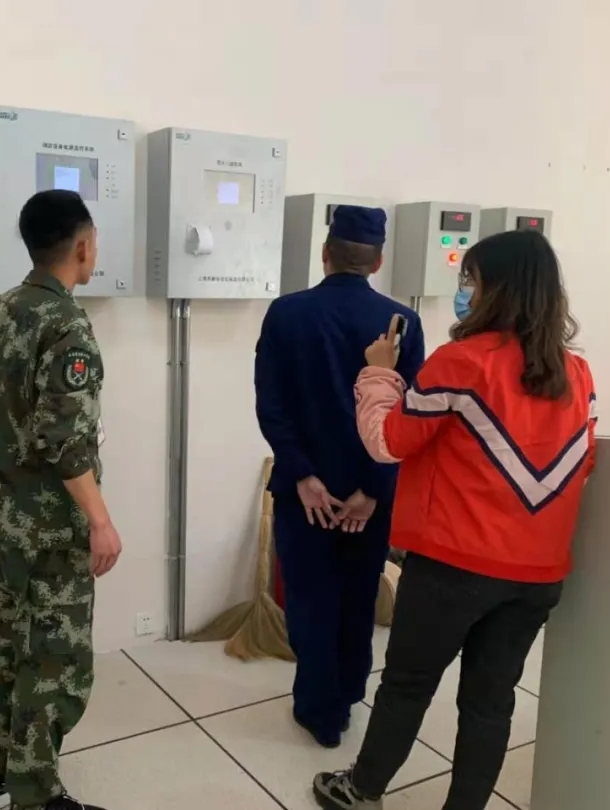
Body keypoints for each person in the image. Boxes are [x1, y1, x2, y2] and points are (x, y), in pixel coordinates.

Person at [312, 230, 598, 810]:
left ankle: (361, 791)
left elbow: (387, 443)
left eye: (470, 280)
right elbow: (584, 463)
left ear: (497, 288)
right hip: (537, 575)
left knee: (408, 685)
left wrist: (379, 373)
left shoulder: (461, 362)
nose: (465, 291)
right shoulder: (578, 373)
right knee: (492, 702)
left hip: (453, 567)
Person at [0, 189, 122, 810]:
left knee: (10, 640)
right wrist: (100, 522)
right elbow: (65, 445)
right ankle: (37, 795)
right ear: (82, 247)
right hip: (50, 529)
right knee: (55, 657)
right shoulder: (67, 326)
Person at [254, 205, 425, 749]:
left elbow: (271, 405)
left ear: (325, 253)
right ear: (378, 261)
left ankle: (318, 710)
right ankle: (348, 694)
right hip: (367, 499)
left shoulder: (286, 314)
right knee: (357, 595)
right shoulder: (401, 322)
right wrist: (372, 491)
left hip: (305, 495)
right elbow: (406, 418)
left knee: (309, 599)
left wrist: (303, 476)